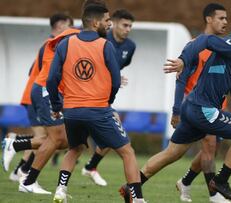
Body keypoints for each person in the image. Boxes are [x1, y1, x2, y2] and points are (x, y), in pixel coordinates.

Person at [122, 10, 231, 202]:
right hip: (203, 109)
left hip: (193, 107)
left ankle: (131, 188)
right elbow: (204, 40)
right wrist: (183, 59)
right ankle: (220, 182)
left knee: (172, 153)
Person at [46, 4, 146, 203]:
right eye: (107, 21)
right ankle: (138, 199)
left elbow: (51, 80)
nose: (109, 24)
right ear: (95, 22)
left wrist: (57, 107)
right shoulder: (105, 45)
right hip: (98, 109)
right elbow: (116, 81)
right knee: (127, 152)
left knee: (74, 149)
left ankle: (60, 190)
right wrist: (108, 101)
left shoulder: (66, 44)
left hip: (72, 111)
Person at [172, 3, 231, 203]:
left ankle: (185, 182)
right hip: (198, 106)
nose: (225, 22)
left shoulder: (224, 46)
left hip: (217, 107)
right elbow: (181, 79)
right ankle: (215, 195)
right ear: (208, 19)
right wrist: (176, 109)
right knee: (208, 146)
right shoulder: (196, 45)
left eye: (226, 18)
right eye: (221, 18)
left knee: (210, 150)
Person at [1, 14, 73, 190]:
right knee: (51, 139)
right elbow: (41, 73)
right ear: (61, 25)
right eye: (70, 26)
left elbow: (32, 69)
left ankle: (20, 165)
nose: (72, 31)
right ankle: (24, 171)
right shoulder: (53, 45)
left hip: (39, 94)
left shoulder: (55, 45)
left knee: (54, 140)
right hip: (39, 95)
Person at [81, 8, 136, 187]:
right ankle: (23, 162)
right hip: (86, 94)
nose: (128, 29)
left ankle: (90, 167)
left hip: (103, 97)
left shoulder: (130, 47)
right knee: (60, 140)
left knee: (111, 134)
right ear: (114, 24)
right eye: (124, 25)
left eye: (130, 26)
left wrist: (116, 76)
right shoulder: (101, 38)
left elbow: (116, 67)